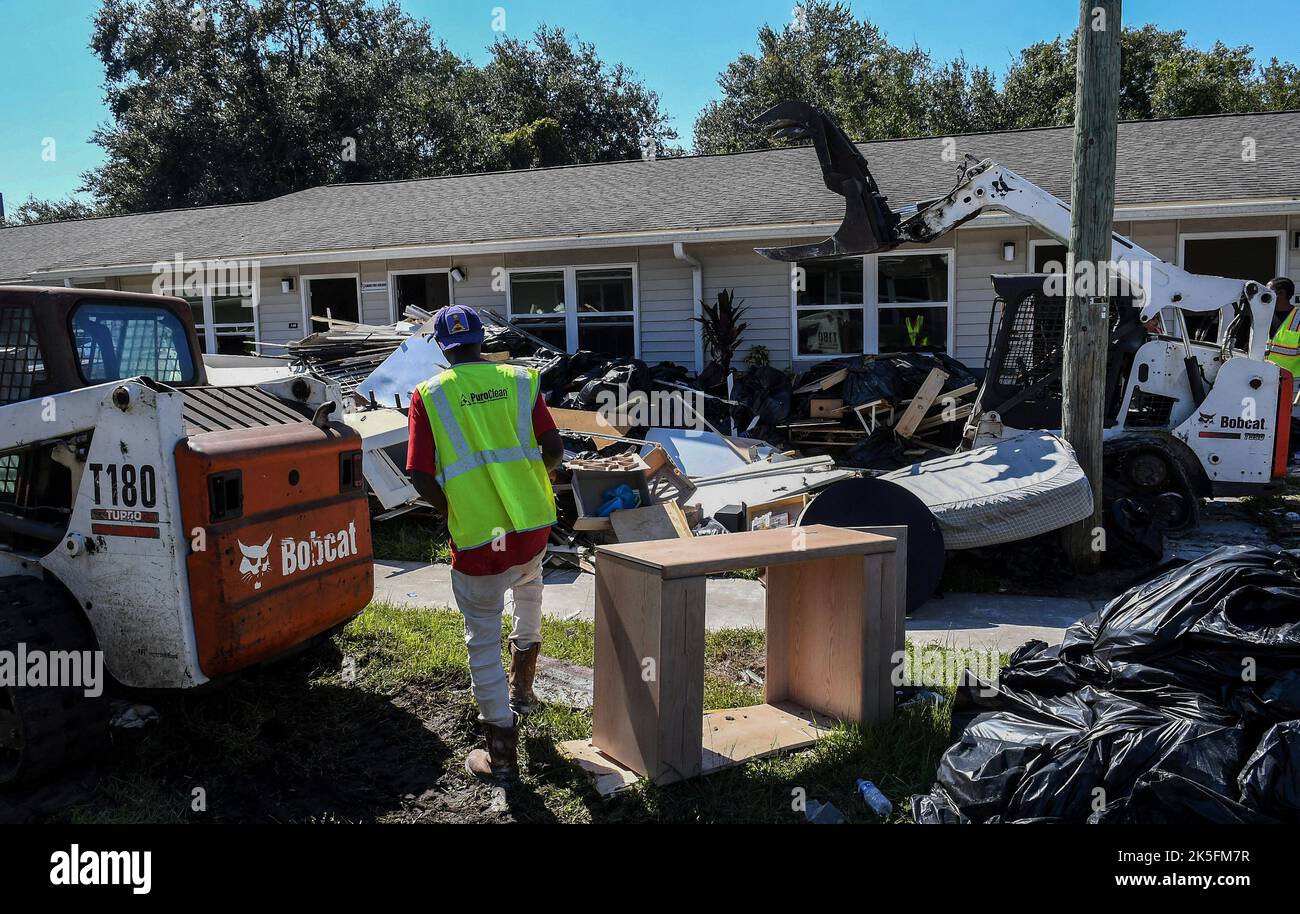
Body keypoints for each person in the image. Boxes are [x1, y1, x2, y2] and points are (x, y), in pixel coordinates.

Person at [406, 305, 564, 784]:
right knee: (530, 589)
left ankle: (500, 754)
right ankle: (524, 690)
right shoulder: (520, 380)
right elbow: (553, 449)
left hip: (478, 542)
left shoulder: (429, 395)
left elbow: (418, 475)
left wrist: (452, 510)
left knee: (481, 638)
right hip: (532, 525)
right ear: (482, 338)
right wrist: (533, 483)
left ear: (441, 347)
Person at [1265, 277, 1300, 376]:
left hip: (1291, 383)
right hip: (1265, 379)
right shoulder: (1264, 317)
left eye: (1269, 292)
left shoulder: (1298, 319)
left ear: (1281, 293)